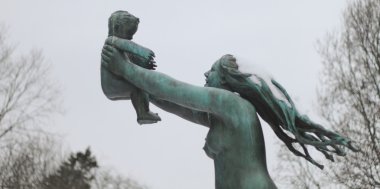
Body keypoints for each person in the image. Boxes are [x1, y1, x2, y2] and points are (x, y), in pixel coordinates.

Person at [101, 42, 357, 189]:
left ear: (226, 80)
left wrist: (125, 68)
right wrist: (142, 85)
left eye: (211, 71)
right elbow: (176, 103)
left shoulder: (233, 105)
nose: (205, 75)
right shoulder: (225, 115)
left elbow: (175, 91)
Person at [101, 10, 161, 124]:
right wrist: (142, 52)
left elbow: (132, 61)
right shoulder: (111, 41)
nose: (130, 39)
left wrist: (145, 64)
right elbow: (129, 46)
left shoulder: (120, 48)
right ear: (117, 27)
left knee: (139, 85)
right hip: (112, 84)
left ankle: (143, 112)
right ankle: (143, 113)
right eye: (129, 35)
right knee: (138, 84)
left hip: (115, 84)